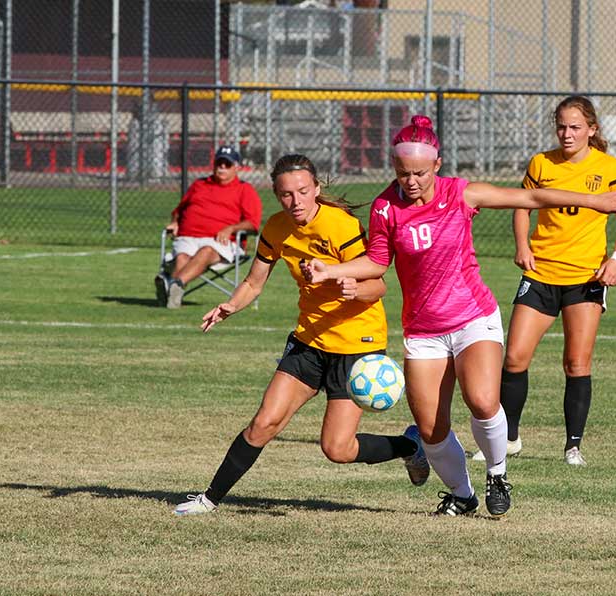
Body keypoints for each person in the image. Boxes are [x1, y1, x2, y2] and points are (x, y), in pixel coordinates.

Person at [304, 115, 616, 517]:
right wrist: (331, 270)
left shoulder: (460, 195)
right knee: (430, 430)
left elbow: (530, 199)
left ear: (437, 165)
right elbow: (376, 262)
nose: (410, 181)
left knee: (482, 400)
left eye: (419, 173)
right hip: (423, 330)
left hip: (471, 317)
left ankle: (497, 473)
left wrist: (595, 202)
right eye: (403, 173)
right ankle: (462, 494)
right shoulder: (385, 208)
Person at [173, 154, 429, 516]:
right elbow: (253, 282)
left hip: (356, 345)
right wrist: (230, 306)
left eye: (303, 191)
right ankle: (209, 498)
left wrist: (354, 289)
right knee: (265, 422)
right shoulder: (277, 228)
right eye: (286, 195)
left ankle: (410, 445)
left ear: (316, 189)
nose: (295, 201)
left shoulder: (341, 226)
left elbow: (379, 286)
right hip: (309, 341)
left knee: (337, 449)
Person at [470, 95, 616, 468]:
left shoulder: (608, 167)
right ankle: (508, 439)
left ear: (592, 130)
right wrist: (522, 245)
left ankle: (572, 447)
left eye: (575, 127)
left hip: (586, 277)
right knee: (513, 357)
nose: (567, 133)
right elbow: (523, 205)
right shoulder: (541, 163)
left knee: (576, 363)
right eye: (561, 126)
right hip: (541, 274)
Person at [156, 145, 263, 309]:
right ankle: (173, 294)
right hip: (188, 237)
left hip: (221, 242)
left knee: (206, 250)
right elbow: (179, 210)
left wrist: (231, 229)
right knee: (182, 257)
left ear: (236, 167)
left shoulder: (244, 189)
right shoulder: (199, 184)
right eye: (219, 163)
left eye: (227, 164)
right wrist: (175, 222)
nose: (222, 167)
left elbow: (253, 224)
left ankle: (172, 283)